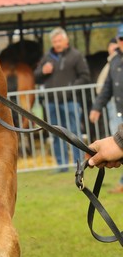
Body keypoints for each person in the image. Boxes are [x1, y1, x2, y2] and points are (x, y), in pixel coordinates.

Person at [34, 27, 90, 171]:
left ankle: (79, 163)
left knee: (74, 132)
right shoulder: (47, 57)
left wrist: (70, 89)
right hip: (51, 102)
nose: (57, 44)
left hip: (70, 101)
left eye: (59, 40)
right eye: (54, 41)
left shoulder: (76, 55)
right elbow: (36, 77)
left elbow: (85, 76)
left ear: (66, 41)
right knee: (56, 133)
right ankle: (62, 165)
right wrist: (42, 71)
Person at [89, 24, 123, 192]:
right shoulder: (115, 60)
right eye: (121, 39)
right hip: (119, 112)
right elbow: (108, 87)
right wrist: (96, 107)